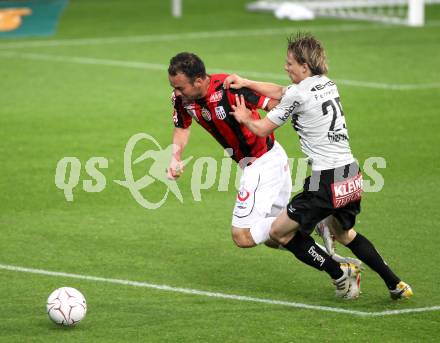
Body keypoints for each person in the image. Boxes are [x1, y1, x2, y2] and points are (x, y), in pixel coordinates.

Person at [225, 32, 412, 300]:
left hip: (325, 180)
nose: (285, 67)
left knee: (279, 233)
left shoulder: (298, 95)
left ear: (304, 66)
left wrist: (244, 118)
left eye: (290, 63)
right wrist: (245, 82)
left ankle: (339, 272)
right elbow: (281, 92)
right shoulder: (327, 83)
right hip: (351, 173)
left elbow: (262, 129)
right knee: (344, 233)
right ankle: (396, 284)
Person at [166, 52, 293, 251]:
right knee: (276, 236)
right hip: (261, 162)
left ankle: (306, 217)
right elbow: (182, 127)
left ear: (198, 81)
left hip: (263, 162)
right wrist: (175, 157)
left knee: (243, 235)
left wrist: (250, 121)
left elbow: (275, 105)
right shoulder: (181, 99)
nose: (177, 93)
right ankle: (339, 267)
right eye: (174, 87)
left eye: (180, 87)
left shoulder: (229, 88)